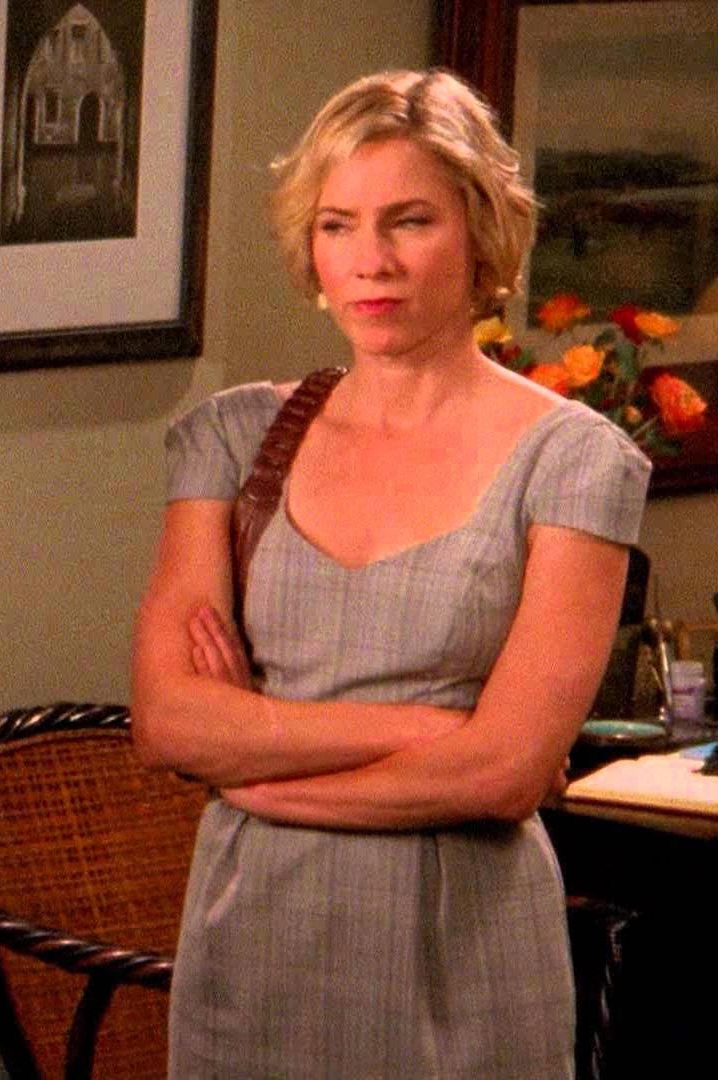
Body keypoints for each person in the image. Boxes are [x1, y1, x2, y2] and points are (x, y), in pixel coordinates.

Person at [131, 70, 650, 1078]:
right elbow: (168, 722)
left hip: (462, 956)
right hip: (253, 943)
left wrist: (258, 773)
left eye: (409, 221)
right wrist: (426, 731)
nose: (371, 260)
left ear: (482, 234)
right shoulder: (233, 439)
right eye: (339, 225)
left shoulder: (574, 461)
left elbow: (504, 773)